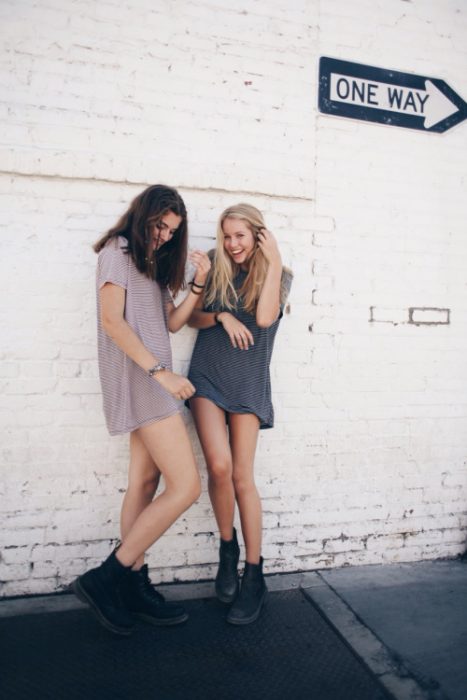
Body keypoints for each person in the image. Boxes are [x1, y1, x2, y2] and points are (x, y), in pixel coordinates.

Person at [72, 184, 211, 636]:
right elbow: (112, 321)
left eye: (173, 231)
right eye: (161, 226)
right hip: (145, 380)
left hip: (150, 377)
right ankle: (108, 577)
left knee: (146, 481)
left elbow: (171, 322)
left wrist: (198, 282)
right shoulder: (118, 251)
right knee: (186, 486)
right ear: (144, 215)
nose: (166, 236)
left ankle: (131, 584)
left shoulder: (150, 260)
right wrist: (161, 374)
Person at [187, 203, 293, 625]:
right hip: (208, 376)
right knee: (218, 466)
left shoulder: (279, 275)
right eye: (227, 236)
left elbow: (266, 317)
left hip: (248, 382)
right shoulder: (214, 264)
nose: (232, 244)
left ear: (258, 236)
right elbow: (190, 318)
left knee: (241, 477)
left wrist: (276, 259)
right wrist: (223, 315)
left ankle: (254, 573)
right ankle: (226, 551)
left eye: (241, 237)